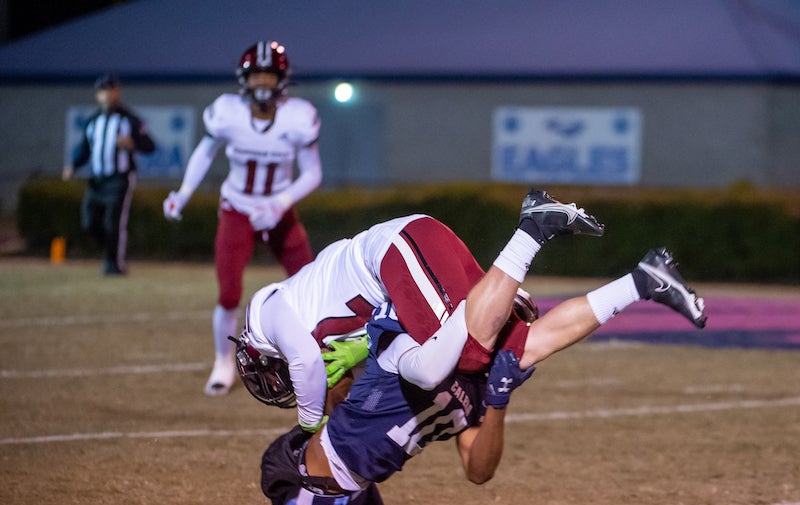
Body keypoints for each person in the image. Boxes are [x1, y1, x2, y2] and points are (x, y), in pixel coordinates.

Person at [210, 200, 707, 505]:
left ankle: (643, 281)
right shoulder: (399, 338)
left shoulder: (476, 372)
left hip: (358, 492)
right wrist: (492, 299)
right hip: (315, 491)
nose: (513, 328)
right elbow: (416, 372)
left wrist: (498, 402)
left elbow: (479, 471)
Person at [233, 187, 703, 433]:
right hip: (407, 257)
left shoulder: (266, 311)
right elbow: (364, 325)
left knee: (468, 358)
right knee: (514, 350)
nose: (276, 384)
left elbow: (305, 362)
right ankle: (644, 281)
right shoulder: (304, 309)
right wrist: (359, 352)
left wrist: (306, 432)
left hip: (396, 251)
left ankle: (530, 233)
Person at [163, 40, 322, 397]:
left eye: (269, 75)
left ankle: (319, 356)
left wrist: (280, 202)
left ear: (282, 79)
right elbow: (205, 153)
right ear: (244, 79)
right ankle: (223, 362)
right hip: (237, 207)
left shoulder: (298, 116)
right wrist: (183, 193)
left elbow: (313, 173)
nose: (262, 84)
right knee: (229, 291)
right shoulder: (227, 112)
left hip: (278, 211)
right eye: (256, 76)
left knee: (312, 284)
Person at [62, 74, 156, 275]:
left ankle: (114, 265)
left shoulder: (130, 120)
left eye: (113, 90)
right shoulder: (92, 121)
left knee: (113, 223)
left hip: (119, 178)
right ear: (98, 95)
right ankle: (110, 251)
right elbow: (85, 150)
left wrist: (133, 144)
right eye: (105, 91)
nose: (109, 95)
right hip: (97, 179)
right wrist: (73, 166)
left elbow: (150, 145)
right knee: (89, 223)